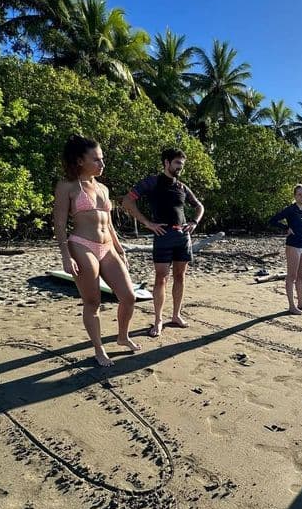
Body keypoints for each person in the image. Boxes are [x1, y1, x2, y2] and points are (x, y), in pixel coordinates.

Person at [53, 134, 140, 367]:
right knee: (93, 302)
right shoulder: (67, 186)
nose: (102, 164)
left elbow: (109, 223)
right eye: (97, 160)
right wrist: (65, 255)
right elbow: (59, 223)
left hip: (108, 247)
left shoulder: (103, 188)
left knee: (129, 297)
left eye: (102, 159)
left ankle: (122, 336)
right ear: (80, 161)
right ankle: (99, 349)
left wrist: (120, 249)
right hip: (82, 245)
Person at [121, 147, 204, 336]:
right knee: (161, 279)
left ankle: (176, 315)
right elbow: (127, 201)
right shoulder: (151, 182)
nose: (180, 167)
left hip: (183, 236)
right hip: (162, 235)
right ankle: (158, 320)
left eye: (182, 164)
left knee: (180, 276)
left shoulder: (181, 186)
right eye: (177, 163)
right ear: (166, 162)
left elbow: (199, 206)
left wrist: (194, 222)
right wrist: (148, 223)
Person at [269, 184, 302, 315]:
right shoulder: (290, 209)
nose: (301, 196)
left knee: (301, 276)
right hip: (293, 246)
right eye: (299, 194)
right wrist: (286, 229)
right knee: (291, 276)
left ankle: (301, 302)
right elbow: (273, 220)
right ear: (295, 196)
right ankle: (291, 306)